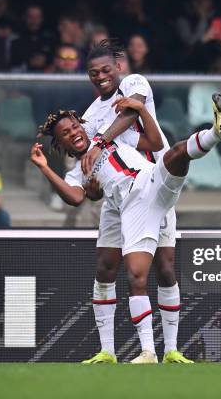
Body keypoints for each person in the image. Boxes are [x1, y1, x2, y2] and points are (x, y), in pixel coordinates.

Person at [31, 93, 221, 363]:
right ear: (60, 144)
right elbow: (75, 197)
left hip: (150, 182)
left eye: (75, 127)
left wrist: (140, 108)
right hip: (129, 205)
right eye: (66, 133)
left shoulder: (110, 137)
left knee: (175, 153)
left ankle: (217, 133)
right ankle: (133, 352)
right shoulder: (77, 172)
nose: (74, 133)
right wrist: (45, 167)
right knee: (127, 274)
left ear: (82, 125)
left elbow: (154, 142)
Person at [69, 39, 191, 364]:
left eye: (106, 70)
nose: (100, 77)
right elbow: (92, 172)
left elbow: (130, 111)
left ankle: (172, 350)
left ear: (118, 67)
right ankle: (107, 351)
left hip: (153, 187)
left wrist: (99, 141)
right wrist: (92, 185)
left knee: (165, 268)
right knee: (106, 268)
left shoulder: (134, 83)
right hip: (118, 197)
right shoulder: (91, 116)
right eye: (93, 73)